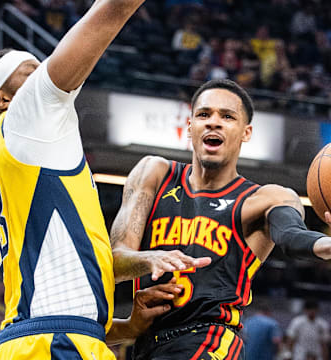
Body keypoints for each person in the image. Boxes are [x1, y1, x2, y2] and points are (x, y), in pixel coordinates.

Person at [0, 0, 205, 358]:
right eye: (31, 70)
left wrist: (129, 319)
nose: (44, 72)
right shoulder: (26, 114)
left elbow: (67, 270)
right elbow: (113, 9)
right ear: (1, 98)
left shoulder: (20, 163)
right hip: (53, 342)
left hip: (53, 338)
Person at [110, 78, 331, 359]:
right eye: (204, 114)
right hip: (145, 342)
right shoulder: (154, 173)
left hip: (211, 341)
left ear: (245, 132)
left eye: (227, 116)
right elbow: (115, 262)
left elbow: (290, 235)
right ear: (190, 127)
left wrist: (326, 244)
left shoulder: (264, 199)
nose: (213, 122)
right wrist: (149, 259)